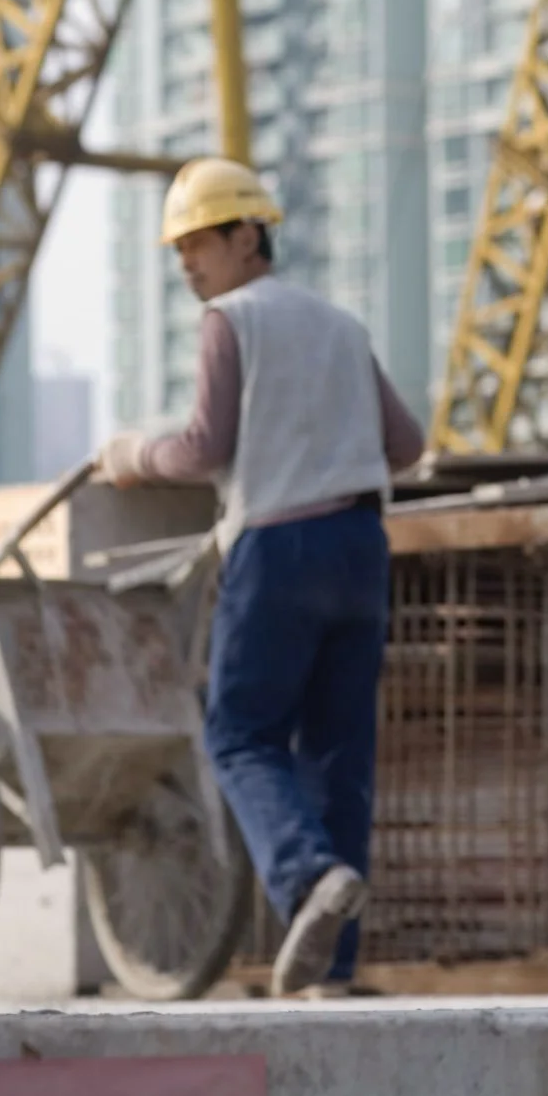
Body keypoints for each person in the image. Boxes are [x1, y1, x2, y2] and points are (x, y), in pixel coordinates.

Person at [98, 157, 425, 997]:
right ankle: (333, 972)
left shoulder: (229, 319)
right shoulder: (343, 327)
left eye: (199, 243)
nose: (187, 266)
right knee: (338, 759)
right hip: (360, 547)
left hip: (278, 550)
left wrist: (135, 455)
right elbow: (407, 446)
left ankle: (306, 875)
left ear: (250, 235)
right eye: (179, 252)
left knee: (239, 735)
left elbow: (204, 448)